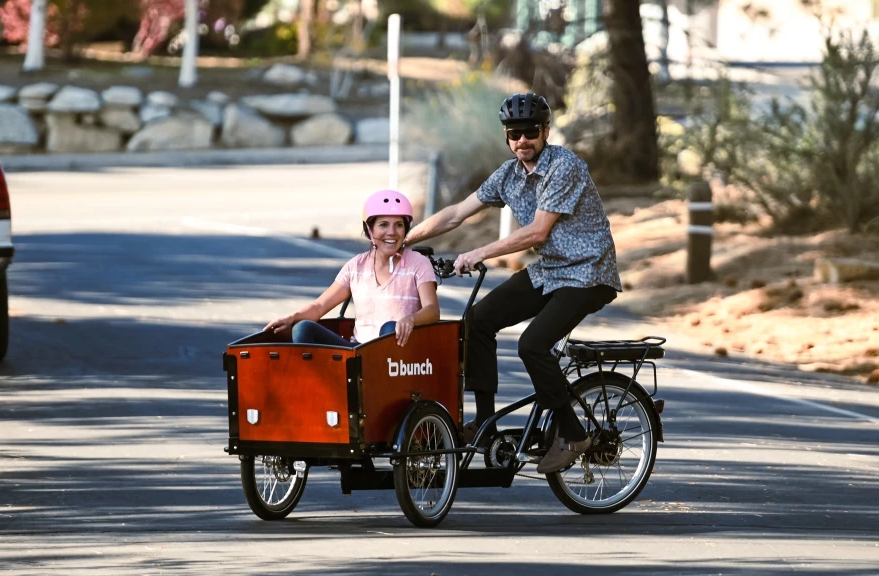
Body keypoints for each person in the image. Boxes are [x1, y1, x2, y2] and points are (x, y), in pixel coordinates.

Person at [404, 92, 621, 474]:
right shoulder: (508, 175)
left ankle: (573, 434)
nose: (522, 140)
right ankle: (485, 425)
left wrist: (477, 253)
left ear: (546, 131)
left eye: (530, 131)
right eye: (514, 133)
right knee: (478, 320)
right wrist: (403, 242)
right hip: (551, 271)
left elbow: (537, 232)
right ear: (506, 137)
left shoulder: (563, 166)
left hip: (588, 273)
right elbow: (456, 213)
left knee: (533, 344)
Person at [265, 190, 440, 347]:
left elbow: (432, 310)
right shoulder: (356, 266)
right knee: (303, 328)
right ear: (370, 230)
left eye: (399, 225)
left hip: (398, 357)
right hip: (358, 351)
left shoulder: (418, 263)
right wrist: (292, 318)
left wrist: (410, 319)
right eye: (383, 225)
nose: (392, 232)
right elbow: (319, 306)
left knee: (389, 328)